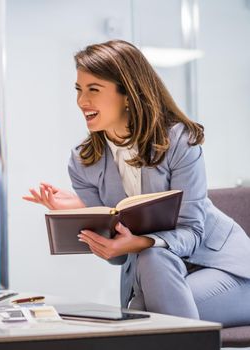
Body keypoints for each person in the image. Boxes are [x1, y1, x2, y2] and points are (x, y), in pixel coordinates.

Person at [24, 40, 250, 327]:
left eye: (93, 89)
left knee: (147, 304)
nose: (82, 101)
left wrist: (141, 242)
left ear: (128, 95)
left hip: (225, 270)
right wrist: (86, 216)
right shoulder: (83, 162)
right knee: (152, 268)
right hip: (153, 275)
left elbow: (192, 232)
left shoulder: (179, 141)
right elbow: (118, 257)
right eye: (79, 90)